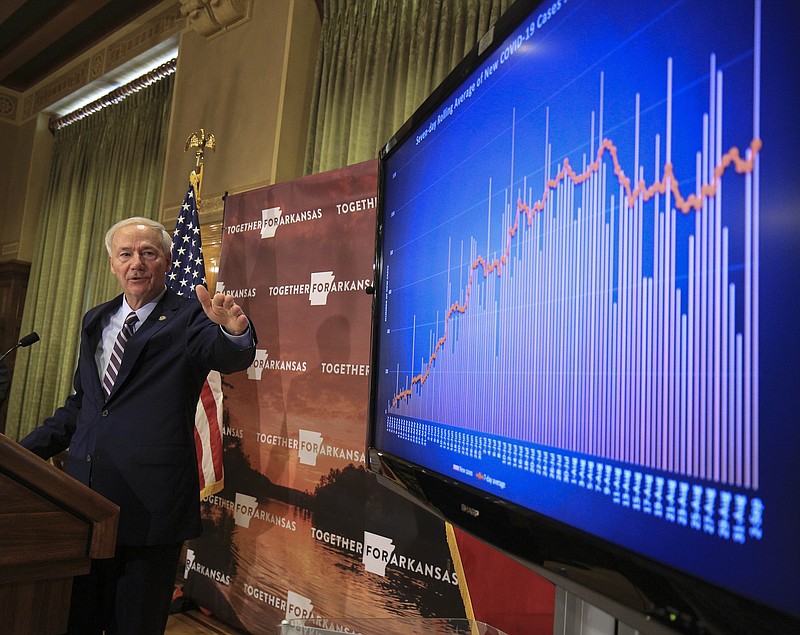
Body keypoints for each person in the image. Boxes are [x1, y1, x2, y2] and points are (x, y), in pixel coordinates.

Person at [19, 216, 257, 634]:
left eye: (148, 253)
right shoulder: (96, 320)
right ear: (112, 263)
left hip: (150, 506)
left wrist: (235, 333)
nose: (137, 263)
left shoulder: (190, 317)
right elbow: (83, 407)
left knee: (135, 625)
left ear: (166, 261)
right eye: (125, 254)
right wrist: (19, 452)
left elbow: (224, 353)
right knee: (78, 621)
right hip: (83, 502)